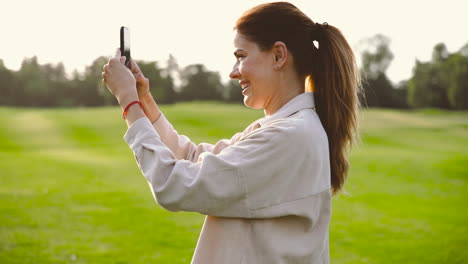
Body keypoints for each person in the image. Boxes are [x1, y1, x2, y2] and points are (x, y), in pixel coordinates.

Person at [102, 2, 360, 263]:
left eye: (241, 56)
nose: (233, 72)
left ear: (279, 56)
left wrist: (129, 102)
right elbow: (192, 158)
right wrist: (144, 101)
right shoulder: (287, 128)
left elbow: (174, 184)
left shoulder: (289, 136)